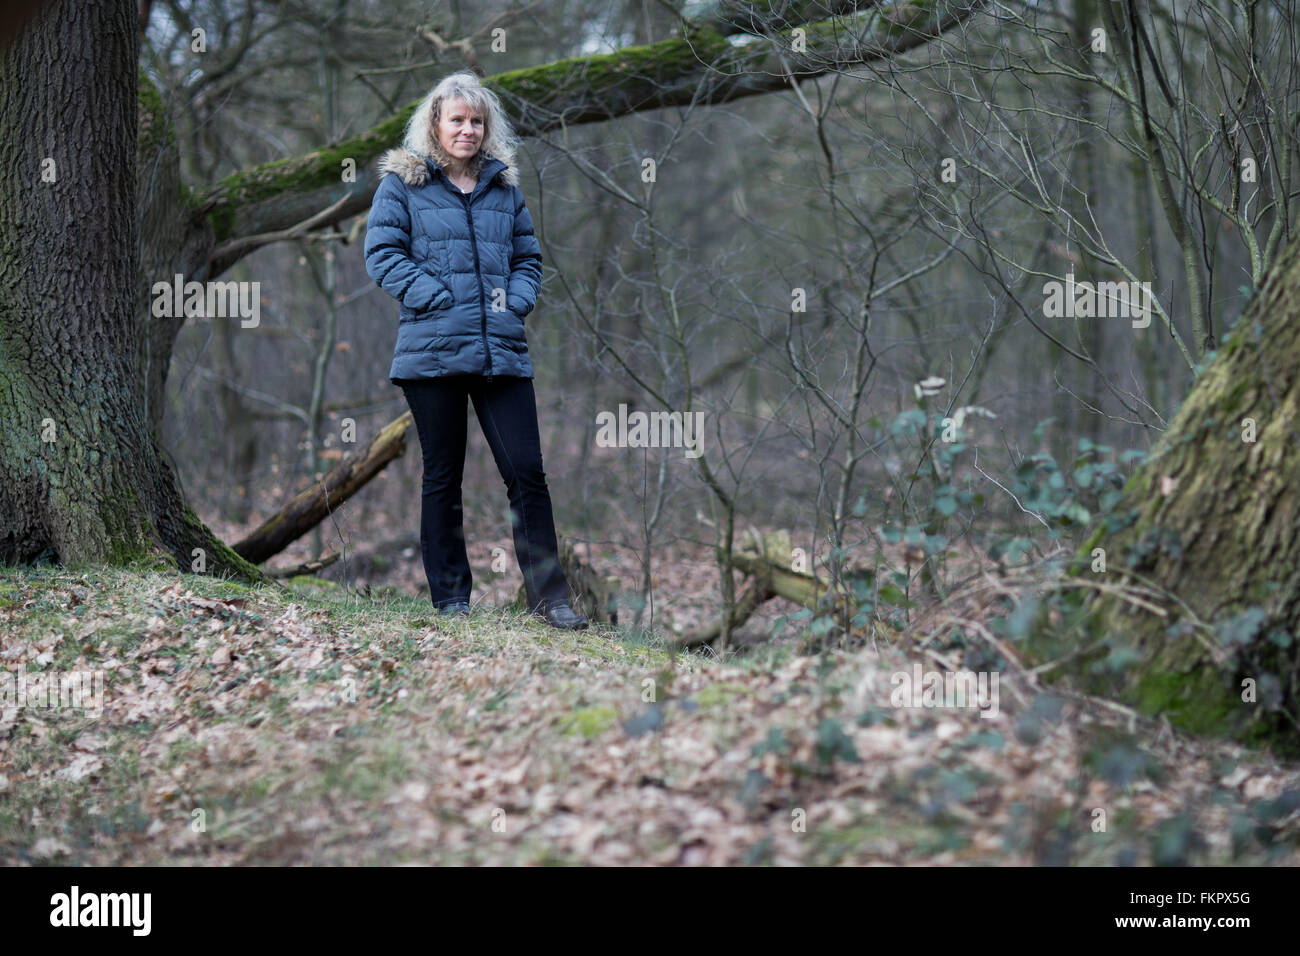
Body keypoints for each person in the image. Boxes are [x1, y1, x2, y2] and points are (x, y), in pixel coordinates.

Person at [364, 71, 588, 630]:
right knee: (444, 475)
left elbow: (528, 260)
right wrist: (437, 298)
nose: (467, 129)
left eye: (476, 121)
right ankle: (451, 600)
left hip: (501, 351)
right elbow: (382, 254)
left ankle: (550, 600)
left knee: (528, 474)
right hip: (432, 350)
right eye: (456, 119)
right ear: (435, 125)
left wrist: (515, 301)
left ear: (487, 129)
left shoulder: (503, 188)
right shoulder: (402, 186)